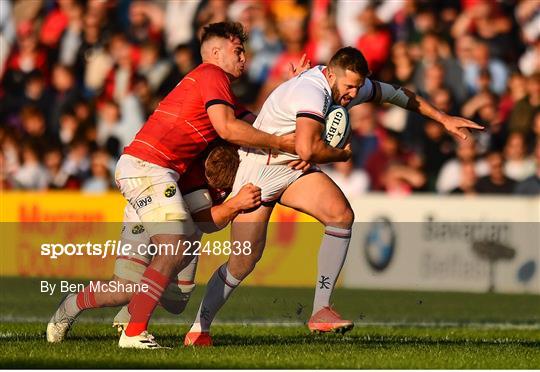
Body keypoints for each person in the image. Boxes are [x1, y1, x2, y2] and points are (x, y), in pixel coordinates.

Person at [184, 46, 484, 346]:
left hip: (290, 171)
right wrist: (341, 154)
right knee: (243, 262)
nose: (353, 93)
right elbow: (307, 150)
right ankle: (199, 328)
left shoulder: (345, 85)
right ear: (329, 74)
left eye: (357, 86)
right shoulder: (312, 92)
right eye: (349, 86)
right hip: (257, 175)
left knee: (341, 215)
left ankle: (320, 310)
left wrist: (442, 118)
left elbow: (397, 94)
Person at [111, 21, 296, 349]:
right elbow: (229, 129)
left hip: (160, 171)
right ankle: (133, 328)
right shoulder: (212, 75)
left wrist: (290, 89)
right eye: (237, 50)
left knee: (176, 270)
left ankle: (130, 315)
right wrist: (283, 144)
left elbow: (253, 122)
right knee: (173, 246)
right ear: (215, 52)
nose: (244, 58)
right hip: (149, 166)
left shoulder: (216, 87)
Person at [46, 149, 262, 343]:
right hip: (149, 210)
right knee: (124, 289)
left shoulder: (243, 159)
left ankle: (133, 309)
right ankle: (71, 305)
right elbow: (207, 221)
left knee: (177, 302)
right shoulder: (194, 172)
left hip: (187, 227)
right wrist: (235, 204)